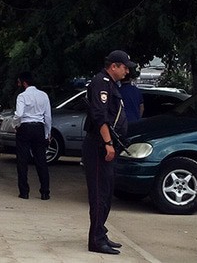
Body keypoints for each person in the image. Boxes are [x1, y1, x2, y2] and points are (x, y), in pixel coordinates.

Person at [82, 50, 134, 255]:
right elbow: (99, 116)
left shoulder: (111, 85)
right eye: (124, 66)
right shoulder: (101, 83)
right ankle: (95, 240)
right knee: (98, 193)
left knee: (106, 192)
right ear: (114, 66)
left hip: (107, 144)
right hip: (99, 146)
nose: (127, 70)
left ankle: (101, 232)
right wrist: (108, 143)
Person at [11, 72, 52, 200]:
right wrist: (47, 133)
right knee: (41, 160)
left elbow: (19, 114)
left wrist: (15, 125)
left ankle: (24, 191)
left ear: (24, 83)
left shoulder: (22, 96)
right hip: (39, 128)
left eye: (19, 82)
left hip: (25, 127)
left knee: (22, 161)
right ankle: (45, 191)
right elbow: (48, 116)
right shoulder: (43, 95)